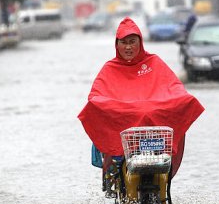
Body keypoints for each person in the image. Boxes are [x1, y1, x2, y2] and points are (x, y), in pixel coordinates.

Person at [78, 17, 204, 190]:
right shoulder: (110, 68)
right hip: (124, 134)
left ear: (140, 42)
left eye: (132, 42)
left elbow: (174, 87)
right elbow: (96, 96)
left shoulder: (154, 63)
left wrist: (182, 99)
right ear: (117, 44)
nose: (128, 47)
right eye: (124, 42)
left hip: (154, 135)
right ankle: (111, 192)